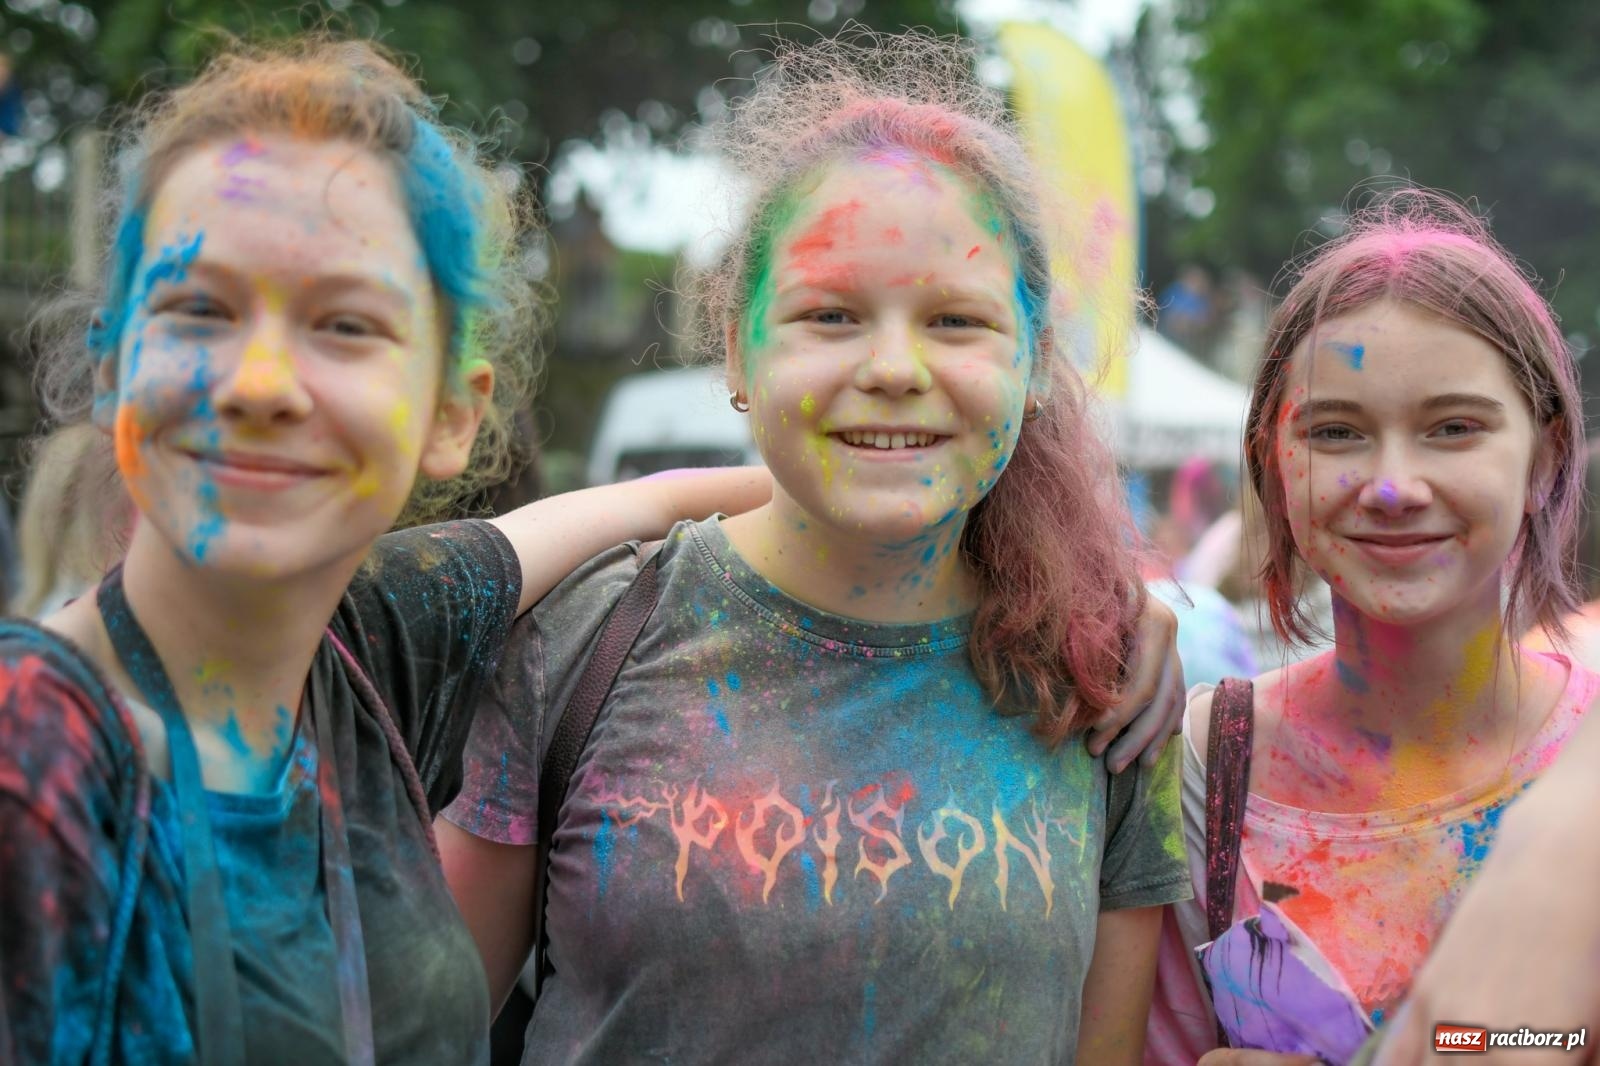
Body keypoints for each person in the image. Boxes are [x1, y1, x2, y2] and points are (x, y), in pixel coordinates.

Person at [0, 37, 775, 1064]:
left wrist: (855, 493)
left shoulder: (363, 652)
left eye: (345, 324)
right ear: (113, 365)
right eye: (199, 309)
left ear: (451, 411)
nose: (261, 381)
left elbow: (623, 506)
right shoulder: (36, 762)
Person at [438, 32, 1190, 1066]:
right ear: (740, 351)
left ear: (1033, 363)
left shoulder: (1099, 687)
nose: (892, 366)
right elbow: (410, 1033)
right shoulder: (582, 638)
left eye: (955, 319)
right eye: (830, 314)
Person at [1143, 189, 1596, 1066]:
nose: (1393, 486)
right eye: (1338, 432)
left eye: (1454, 429)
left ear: (1543, 457)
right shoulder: (1202, 761)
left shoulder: (1591, 769)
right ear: (1273, 463)